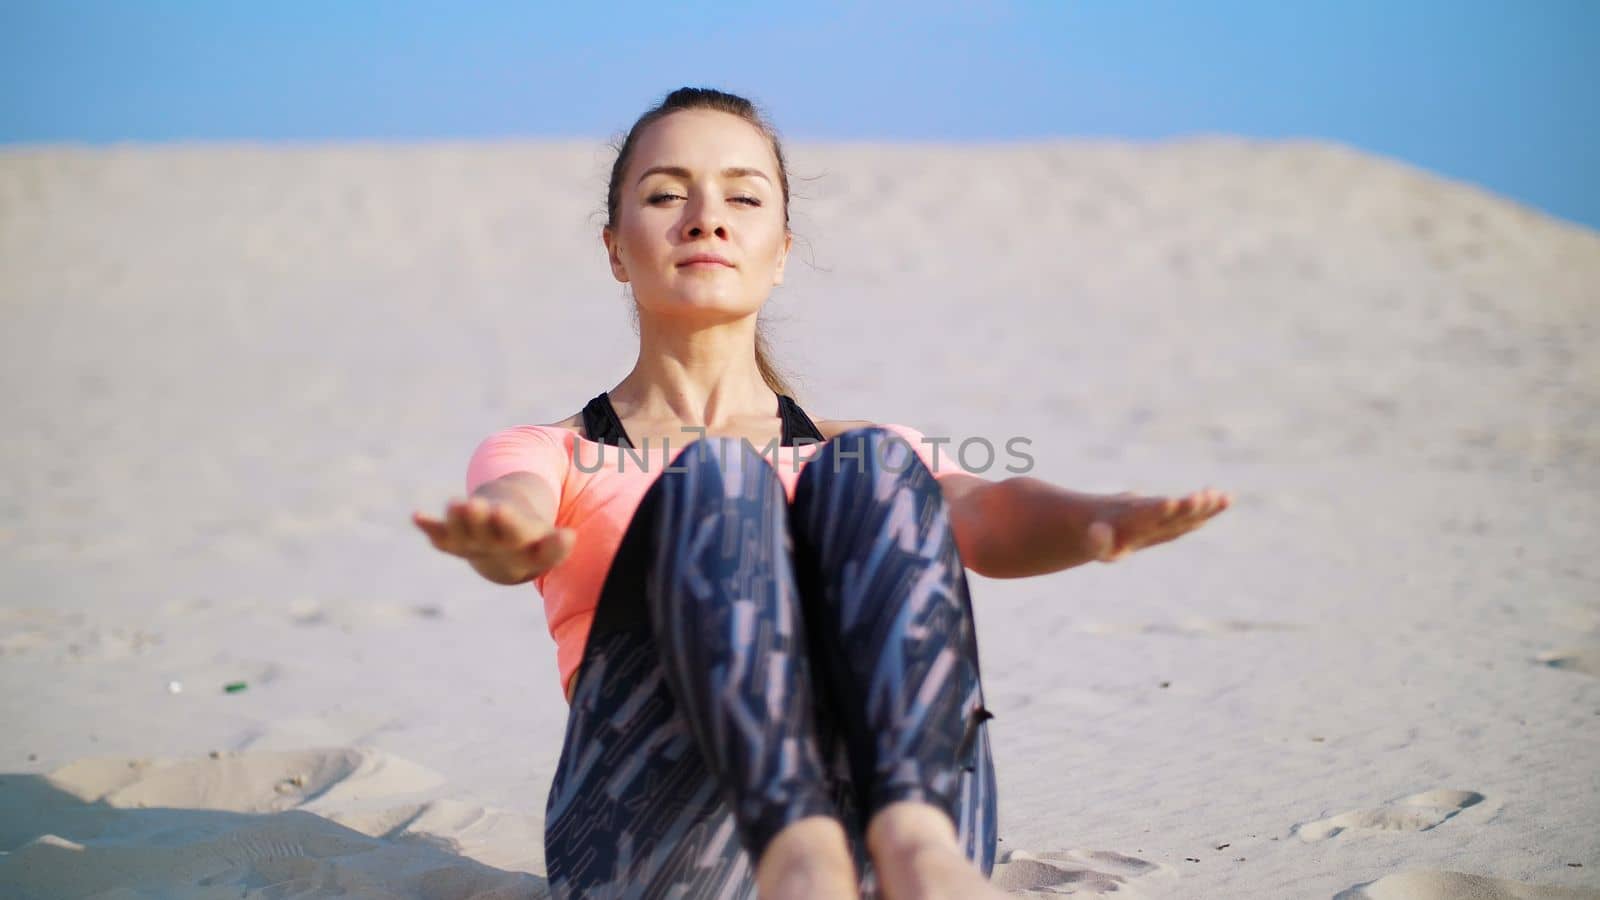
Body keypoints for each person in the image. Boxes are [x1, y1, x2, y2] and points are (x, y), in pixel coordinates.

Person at [413, 87, 1231, 900]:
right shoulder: (557, 449)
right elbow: (515, 500)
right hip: (656, 847)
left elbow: (982, 514)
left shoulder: (857, 455)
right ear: (616, 249)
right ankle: (795, 850)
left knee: (874, 466)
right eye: (666, 195)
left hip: (894, 836)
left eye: (742, 195)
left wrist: (1097, 519)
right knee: (718, 479)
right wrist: (508, 538)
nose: (706, 218)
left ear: (780, 249)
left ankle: (917, 846)